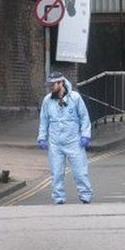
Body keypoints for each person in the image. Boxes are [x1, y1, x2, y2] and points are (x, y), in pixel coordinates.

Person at [38, 72, 93, 205]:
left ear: (61, 83)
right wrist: (42, 137)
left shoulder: (75, 98)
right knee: (56, 173)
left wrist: (85, 135)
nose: (50, 87)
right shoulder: (47, 100)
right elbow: (44, 121)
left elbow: (84, 117)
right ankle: (59, 197)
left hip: (74, 141)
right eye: (49, 85)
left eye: (53, 84)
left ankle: (85, 195)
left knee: (80, 171)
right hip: (55, 142)